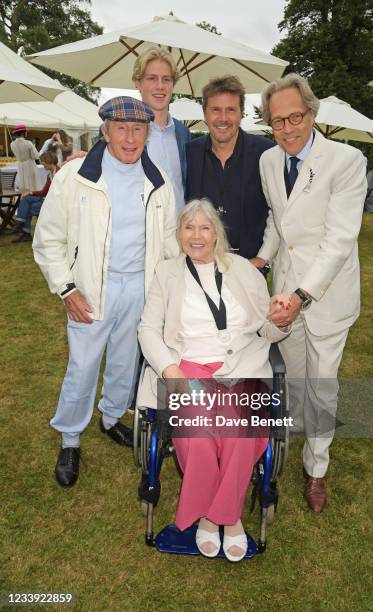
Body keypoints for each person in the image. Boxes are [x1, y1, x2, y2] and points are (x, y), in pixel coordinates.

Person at [32, 96, 179, 488]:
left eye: (138, 130)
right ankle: (70, 438)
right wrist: (67, 289)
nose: (129, 138)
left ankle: (112, 417)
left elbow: (169, 243)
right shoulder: (76, 174)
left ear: (148, 133)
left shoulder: (159, 179)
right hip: (90, 289)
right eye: (121, 129)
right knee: (82, 365)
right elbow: (48, 240)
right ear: (105, 131)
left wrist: (167, 293)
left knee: (125, 360)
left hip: (140, 287)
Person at [138, 199, 290, 562]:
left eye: (205, 228)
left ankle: (226, 516)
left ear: (217, 234)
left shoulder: (244, 270)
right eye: (189, 228)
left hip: (243, 365)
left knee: (241, 433)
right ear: (179, 234)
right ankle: (211, 515)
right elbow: (148, 329)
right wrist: (169, 370)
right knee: (199, 435)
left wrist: (280, 320)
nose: (196, 236)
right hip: (188, 367)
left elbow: (266, 330)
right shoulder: (166, 273)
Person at [258, 73, 367, 513]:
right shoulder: (269, 162)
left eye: (295, 117)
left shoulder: (346, 160)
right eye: (277, 121)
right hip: (286, 289)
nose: (287, 129)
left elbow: (340, 239)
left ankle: (316, 469)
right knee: (296, 377)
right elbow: (277, 223)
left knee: (322, 386)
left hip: (325, 294)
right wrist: (262, 261)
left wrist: (302, 295)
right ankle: (301, 432)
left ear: (312, 112)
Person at [185, 76, 274, 270]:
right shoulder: (189, 153)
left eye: (231, 110)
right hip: (200, 267)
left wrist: (262, 259)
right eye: (215, 110)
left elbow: (277, 212)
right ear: (205, 114)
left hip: (251, 269)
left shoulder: (266, 153)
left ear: (241, 113)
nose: (223, 118)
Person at [132, 46, 191, 212]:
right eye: (152, 78)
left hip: (179, 232)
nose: (160, 86)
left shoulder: (183, 133)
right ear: (138, 83)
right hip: (143, 232)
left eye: (166, 79)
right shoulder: (125, 133)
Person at [11, 151, 59, 243]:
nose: (42, 165)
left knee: (27, 208)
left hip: (54, 203)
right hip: (47, 200)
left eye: (43, 163)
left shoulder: (59, 173)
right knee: (26, 198)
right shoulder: (50, 175)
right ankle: (20, 225)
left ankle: (23, 230)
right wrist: (30, 192)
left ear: (49, 161)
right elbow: (43, 192)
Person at [10, 124, 41, 191]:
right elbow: (35, 156)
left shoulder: (12, 144)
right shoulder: (28, 143)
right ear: (23, 133)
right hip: (29, 165)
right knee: (32, 185)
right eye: (26, 132)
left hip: (20, 165)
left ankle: (24, 198)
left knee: (23, 185)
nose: (26, 133)